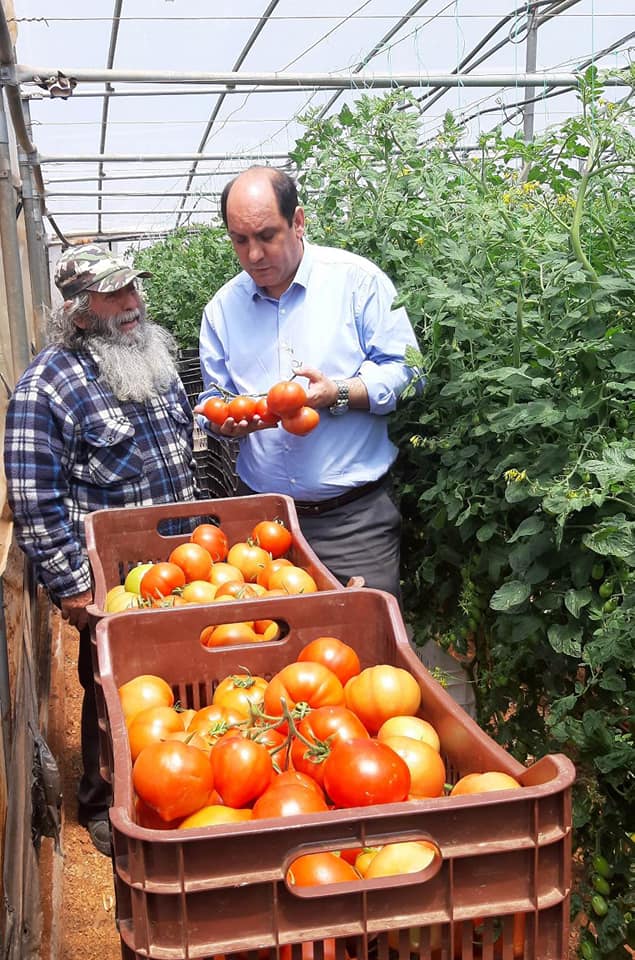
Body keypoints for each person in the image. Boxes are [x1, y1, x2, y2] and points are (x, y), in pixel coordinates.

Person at [4, 244, 199, 855]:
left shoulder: (152, 357)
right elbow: (35, 498)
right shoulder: (48, 387)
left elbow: (182, 442)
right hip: (114, 578)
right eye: (115, 296)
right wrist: (73, 585)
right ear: (81, 312)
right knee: (109, 686)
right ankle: (102, 797)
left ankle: (180, 779)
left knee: (185, 676)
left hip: (185, 564)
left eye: (133, 290)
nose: (132, 304)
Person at [198, 166, 420, 599]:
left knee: (364, 646)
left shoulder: (358, 283)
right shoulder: (222, 310)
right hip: (261, 521)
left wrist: (338, 392)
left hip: (353, 521)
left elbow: (407, 372)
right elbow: (213, 394)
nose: (254, 255)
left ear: (298, 222)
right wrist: (222, 421)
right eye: (240, 240)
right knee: (268, 645)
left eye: (266, 235)